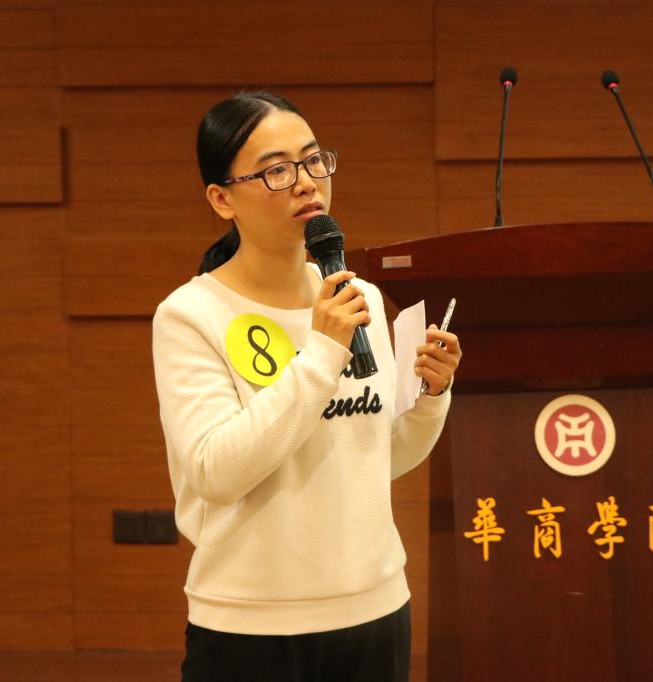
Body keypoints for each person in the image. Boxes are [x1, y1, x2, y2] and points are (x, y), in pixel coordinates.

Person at [151, 92, 462, 682]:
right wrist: (320, 353)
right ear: (222, 199)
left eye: (314, 160)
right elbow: (216, 472)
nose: (305, 182)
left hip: (375, 610)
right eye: (276, 170)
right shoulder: (190, 315)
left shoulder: (356, 296)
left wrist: (430, 398)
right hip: (251, 627)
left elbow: (377, 457)